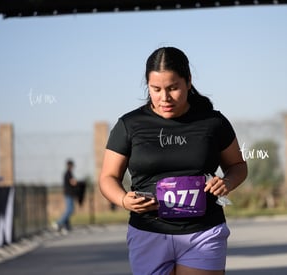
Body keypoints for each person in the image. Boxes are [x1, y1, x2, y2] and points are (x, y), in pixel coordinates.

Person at [99, 47, 248, 275]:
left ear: (188, 82)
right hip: (148, 232)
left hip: (203, 232)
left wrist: (226, 182)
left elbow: (238, 166)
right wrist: (122, 199)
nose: (164, 98)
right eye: (155, 89)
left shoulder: (214, 122)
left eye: (173, 88)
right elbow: (108, 177)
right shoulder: (129, 125)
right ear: (147, 85)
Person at [55, 159, 77, 232]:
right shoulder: (68, 173)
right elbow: (73, 182)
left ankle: (66, 226)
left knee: (69, 210)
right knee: (70, 210)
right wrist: (78, 183)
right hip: (69, 194)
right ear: (70, 165)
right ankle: (59, 223)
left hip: (69, 194)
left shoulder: (68, 173)